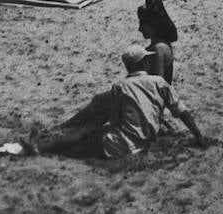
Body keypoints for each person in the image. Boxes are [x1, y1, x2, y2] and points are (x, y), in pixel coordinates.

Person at [27, 45, 206, 159]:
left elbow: (114, 119)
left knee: (82, 137)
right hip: (143, 143)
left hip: (117, 145)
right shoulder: (158, 83)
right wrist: (198, 135)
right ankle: (46, 144)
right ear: (143, 63)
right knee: (84, 137)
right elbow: (182, 111)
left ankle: (42, 147)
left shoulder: (120, 87)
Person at [137, 0, 179, 84]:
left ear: (153, 25)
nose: (140, 29)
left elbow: (157, 85)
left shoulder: (158, 48)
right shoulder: (161, 45)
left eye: (142, 25)